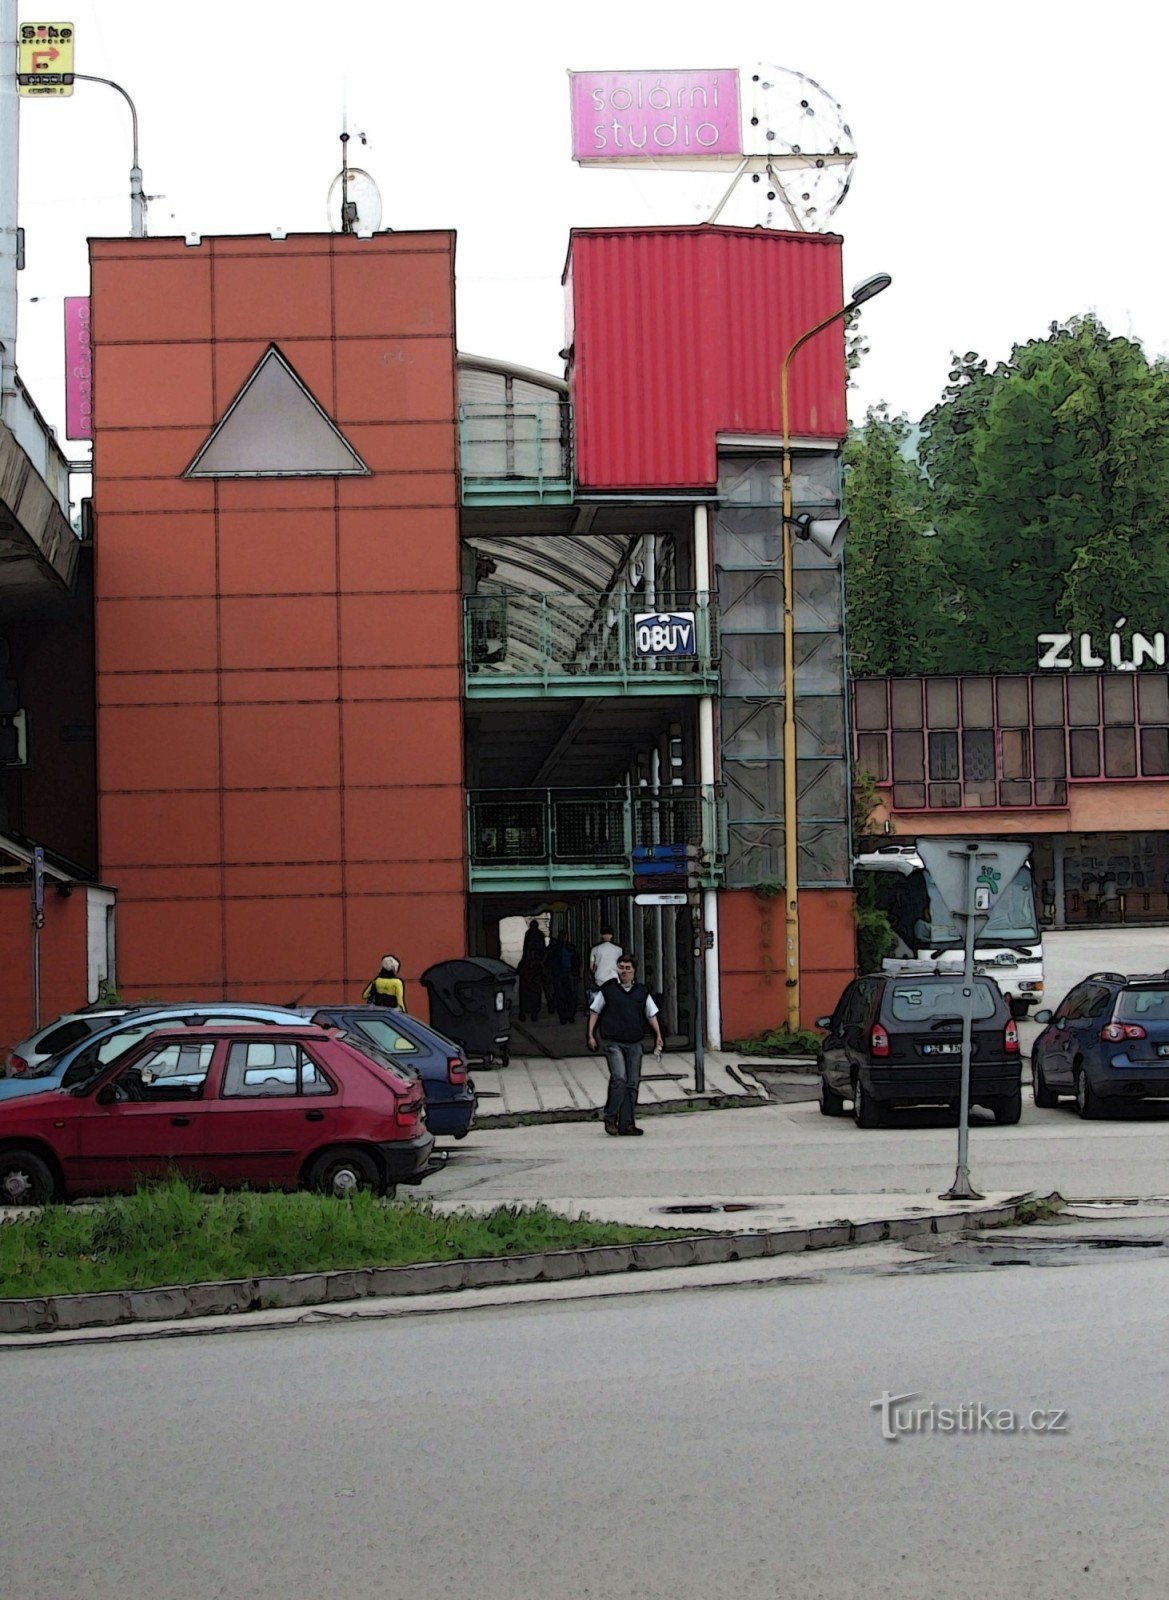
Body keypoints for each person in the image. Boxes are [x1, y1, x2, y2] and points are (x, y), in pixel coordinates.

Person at [586, 955, 664, 1136]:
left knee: (632, 1084)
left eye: (628, 968)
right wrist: (590, 1035)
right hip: (613, 1042)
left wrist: (658, 1035)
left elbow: (651, 1014)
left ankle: (627, 1124)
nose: (624, 971)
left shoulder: (642, 992)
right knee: (619, 1078)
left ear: (634, 970)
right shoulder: (608, 989)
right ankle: (610, 1115)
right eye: (621, 967)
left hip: (634, 1043)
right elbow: (594, 1011)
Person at [589, 927, 623, 993]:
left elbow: (591, 967)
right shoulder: (619, 950)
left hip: (600, 979)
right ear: (612, 936)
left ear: (601, 936)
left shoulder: (594, 949)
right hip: (614, 978)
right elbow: (620, 965)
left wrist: (594, 972)